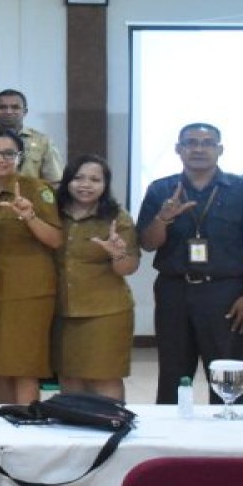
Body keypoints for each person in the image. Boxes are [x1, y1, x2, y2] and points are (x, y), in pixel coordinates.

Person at [137, 122, 243, 404]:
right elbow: (147, 243)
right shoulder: (161, 189)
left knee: (228, 371)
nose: (198, 149)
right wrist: (163, 218)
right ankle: (173, 435)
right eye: (191, 142)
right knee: (173, 371)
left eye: (207, 143)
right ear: (179, 150)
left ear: (220, 150)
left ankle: (228, 436)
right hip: (174, 291)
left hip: (226, 292)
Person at [0, 129, 63, 405]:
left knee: (24, 366)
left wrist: (30, 217)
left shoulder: (37, 190)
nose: (1, 159)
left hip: (28, 294)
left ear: (20, 157)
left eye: (9, 153)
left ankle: (26, 428)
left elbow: (57, 239)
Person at [53, 154, 139, 401]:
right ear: (67, 181)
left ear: (105, 185)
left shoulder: (116, 217)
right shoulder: (53, 213)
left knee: (105, 377)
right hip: (61, 311)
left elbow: (129, 268)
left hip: (106, 312)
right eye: (78, 178)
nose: (85, 185)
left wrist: (118, 254)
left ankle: (112, 429)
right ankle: (76, 432)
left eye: (95, 179)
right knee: (69, 376)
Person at [0, 89, 64, 183]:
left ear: (25, 112)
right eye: (3, 107)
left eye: (15, 107)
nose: (9, 112)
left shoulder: (42, 141)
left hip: (30, 196)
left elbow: (54, 180)